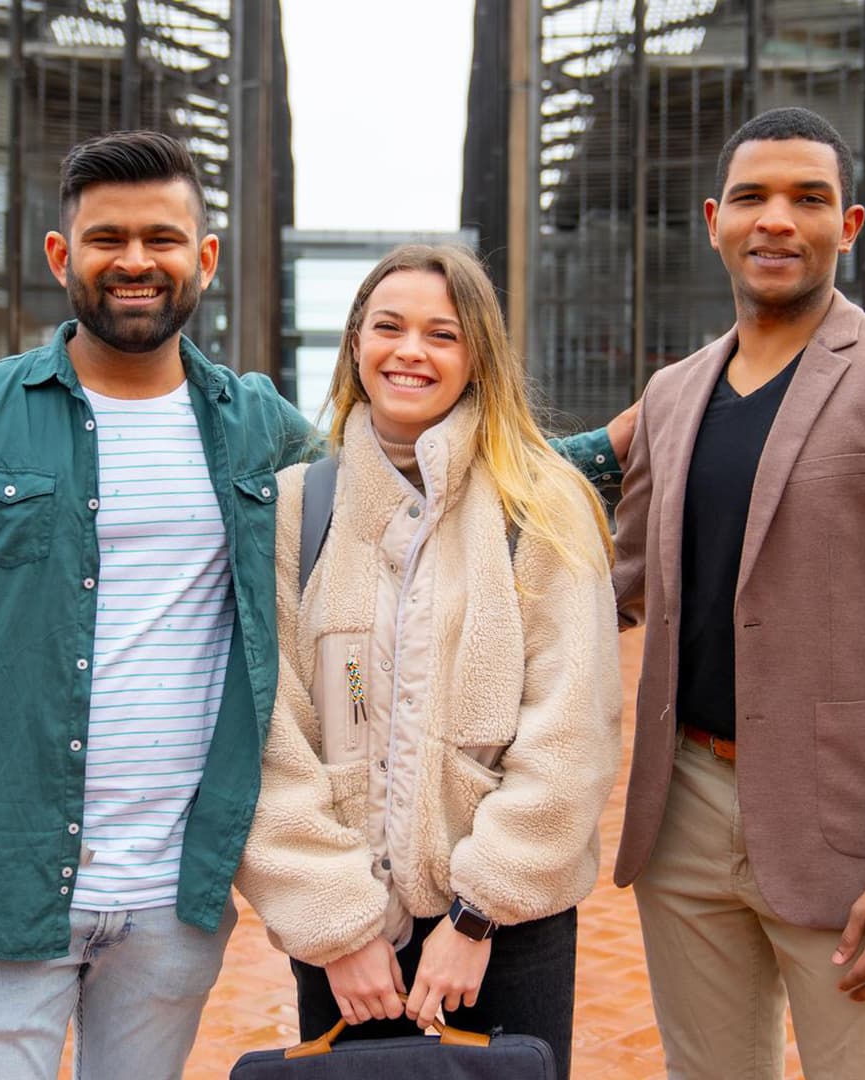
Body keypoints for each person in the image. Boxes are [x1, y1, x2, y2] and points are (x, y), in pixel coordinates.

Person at [0, 131, 628, 1080]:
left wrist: (607, 449)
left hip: (171, 897)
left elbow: (434, 482)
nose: (133, 261)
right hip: (1, 879)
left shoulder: (253, 431)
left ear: (202, 259)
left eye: (161, 238)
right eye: (105, 237)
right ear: (59, 255)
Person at [608, 107, 865, 1078]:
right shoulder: (672, 395)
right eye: (752, 197)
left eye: (809, 198)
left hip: (849, 829)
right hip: (685, 815)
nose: (777, 219)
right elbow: (618, 580)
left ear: (852, 225)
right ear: (714, 219)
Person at [235, 245, 620, 1078]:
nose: (411, 351)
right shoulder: (301, 509)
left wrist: (479, 917)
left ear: (476, 356)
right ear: (355, 347)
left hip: (503, 934)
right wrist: (339, 926)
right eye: (389, 328)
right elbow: (271, 732)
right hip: (346, 935)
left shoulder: (541, 506)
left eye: (441, 334)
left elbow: (571, 731)